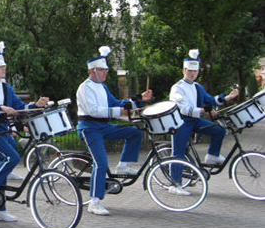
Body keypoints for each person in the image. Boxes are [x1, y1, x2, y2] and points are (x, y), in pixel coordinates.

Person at [0, 42, 49, 222]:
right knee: (11, 158)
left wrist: (35, 105)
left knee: (4, 162)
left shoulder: (7, 87)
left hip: (2, 128)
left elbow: (20, 106)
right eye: (0, 67)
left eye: (4, 66)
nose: (4, 69)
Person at [76, 46, 152, 216]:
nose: (105, 73)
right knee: (101, 163)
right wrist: (119, 112)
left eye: (106, 70)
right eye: (103, 70)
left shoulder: (103, 87)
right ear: (93, 70)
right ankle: (94, 202)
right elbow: (94, 110)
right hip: (89, 129)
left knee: (134, 131)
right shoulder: (85, 88)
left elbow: (117, 103)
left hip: (104, 127)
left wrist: (139, 99)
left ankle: (123, 166)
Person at [169, 49, 238, 188]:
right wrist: (202, 110)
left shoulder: (198, 87)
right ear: (183, 71)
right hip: (181, 123)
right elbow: (183, 108)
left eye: (195, 71)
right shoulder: (177, 88)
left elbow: (211, 100)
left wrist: (228, 97)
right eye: (189, 71)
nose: (192, 73)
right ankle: (174, 185)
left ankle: (212, 155)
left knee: (219, 130)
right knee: (178, 152)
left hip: (195, 121)